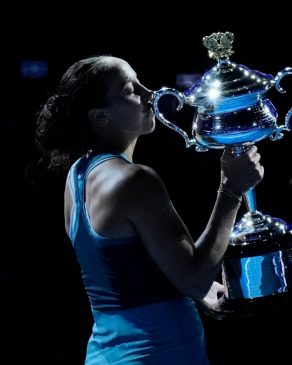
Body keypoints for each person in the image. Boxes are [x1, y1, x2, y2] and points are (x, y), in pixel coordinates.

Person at [35, 55, 264, 364]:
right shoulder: (136, 180)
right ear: (100, 117)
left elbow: (128, 272)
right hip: (160, 353)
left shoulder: (78, 175)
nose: (150, 93)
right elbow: (194, 277)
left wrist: (203, 290)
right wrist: (232, 189)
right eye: (132, 89)